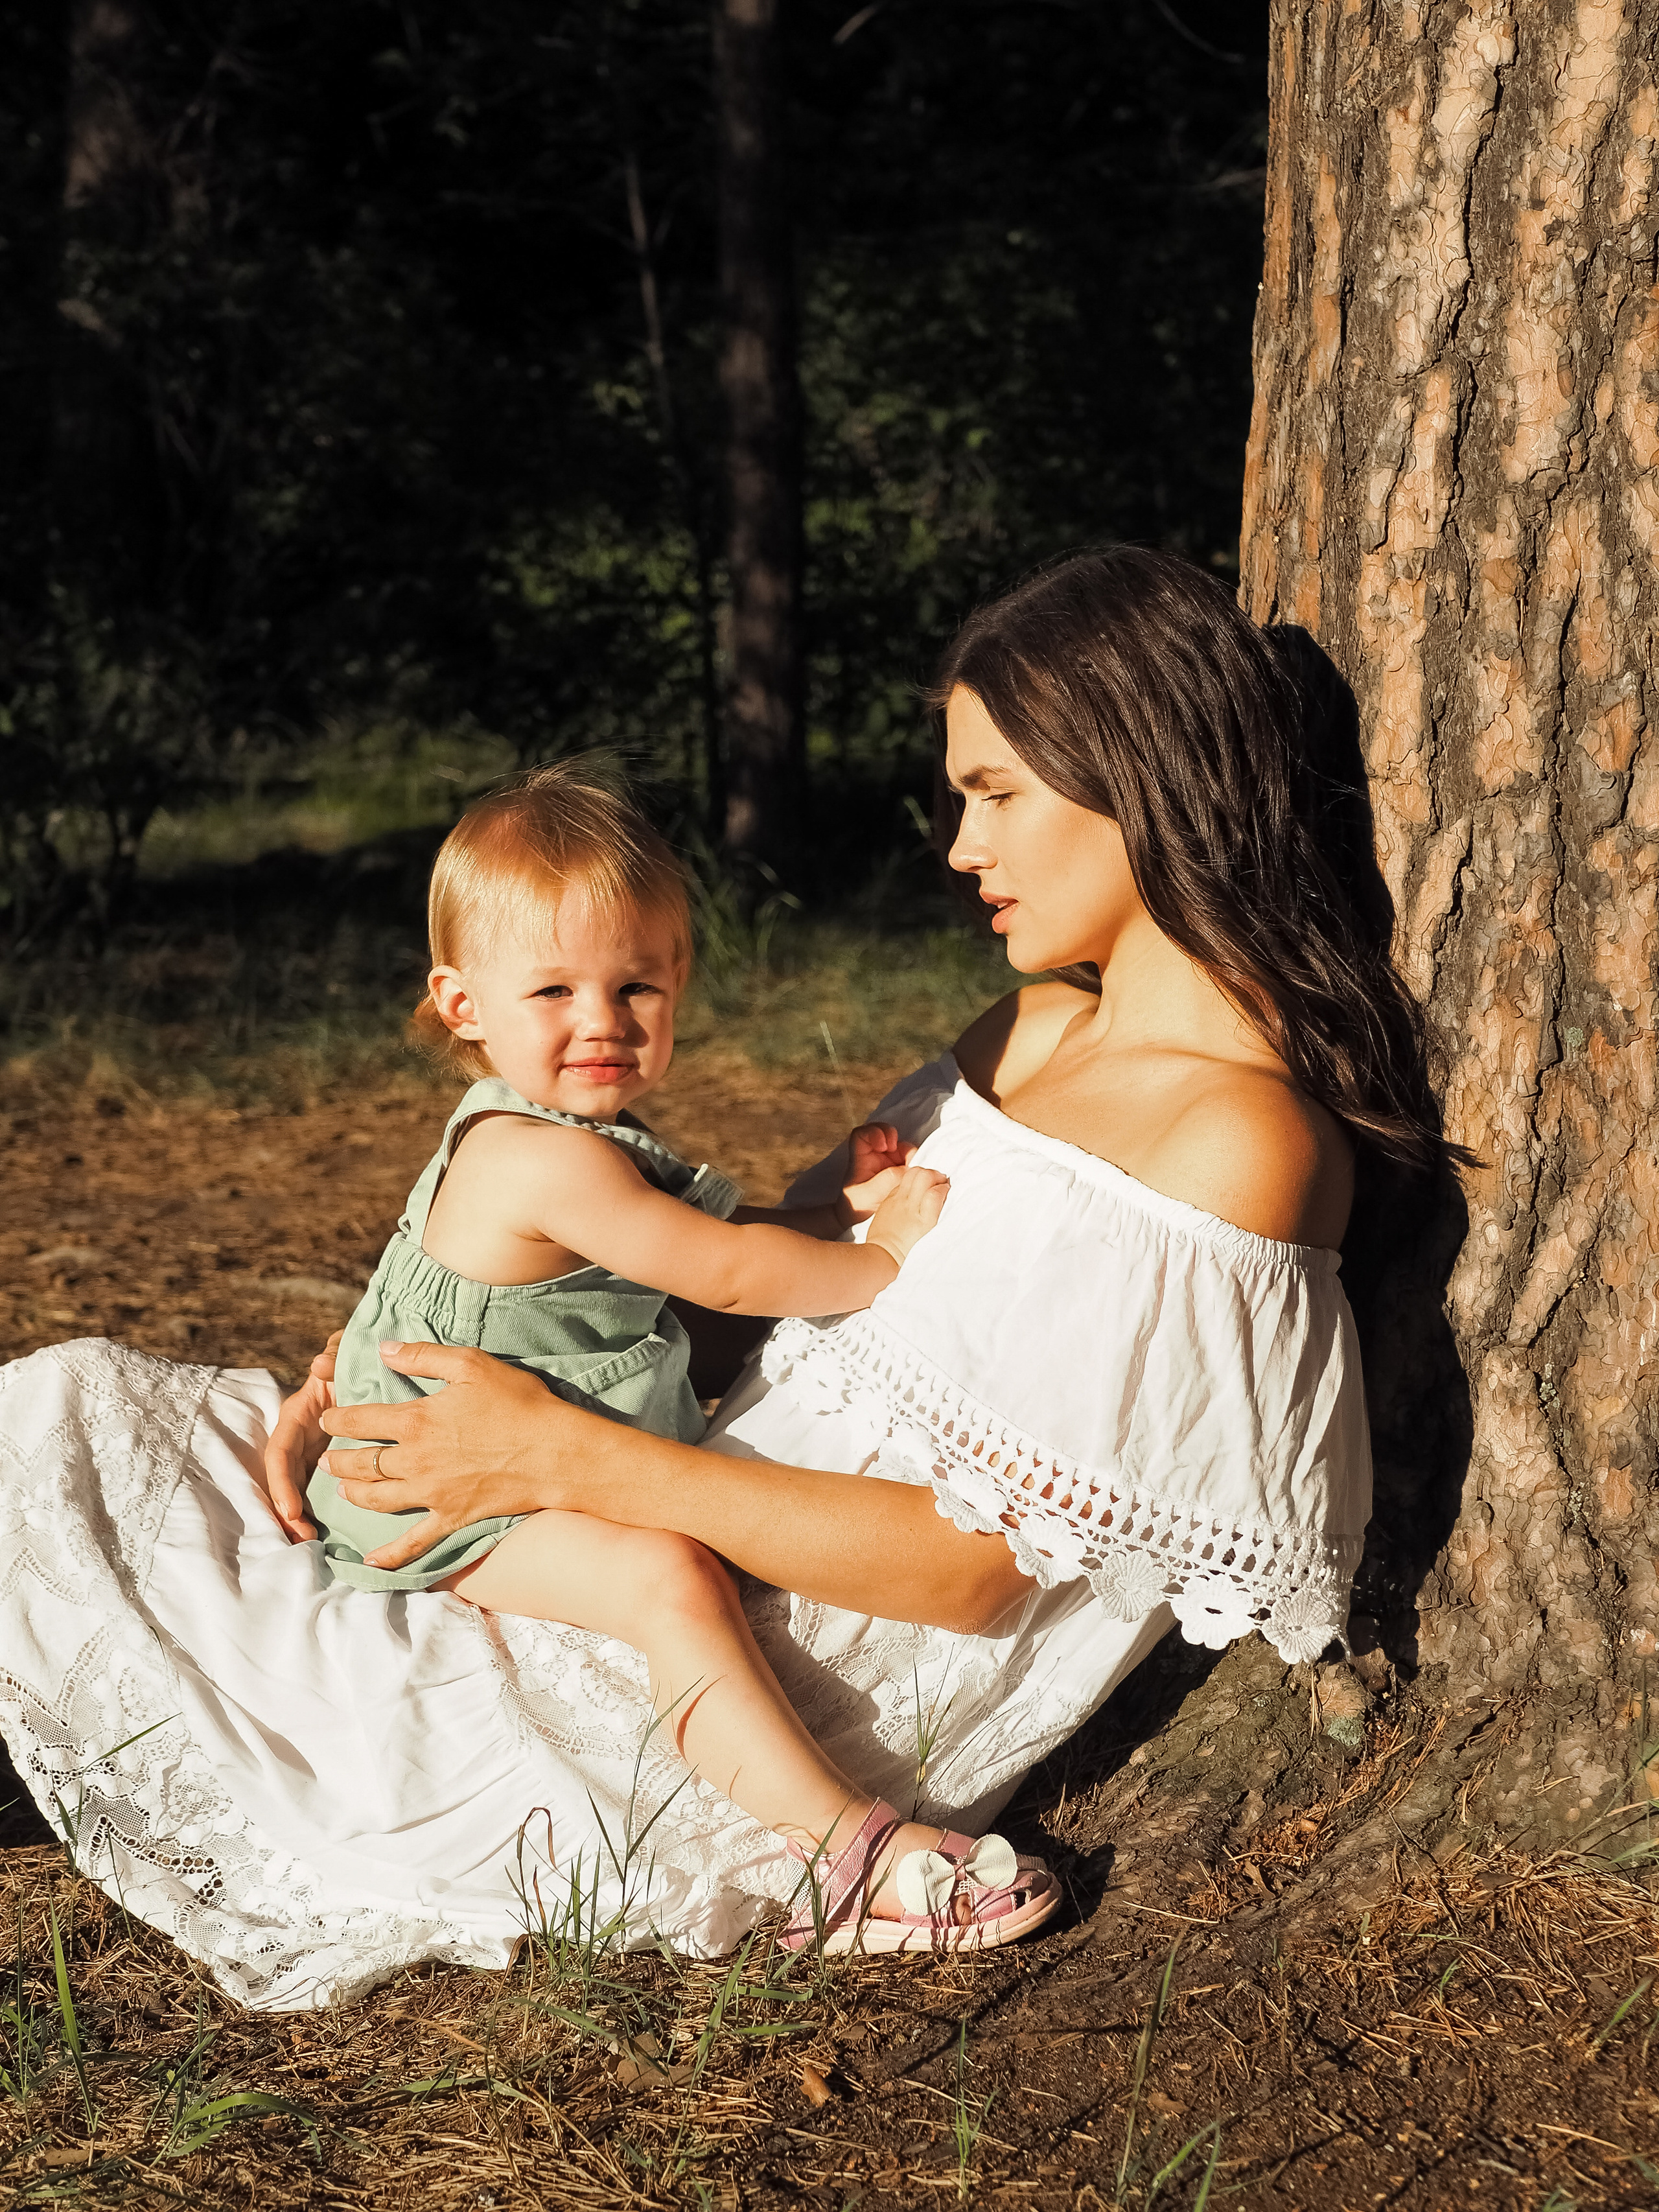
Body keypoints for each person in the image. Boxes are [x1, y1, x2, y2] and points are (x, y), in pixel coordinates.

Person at [0, 548, 1446, 2012]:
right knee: (70, 1421)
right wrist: (384, 1383)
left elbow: (970, 1574)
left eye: (994, 791)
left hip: (742, 1689)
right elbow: (701, 1270)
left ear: (1148, 772)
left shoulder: (1235, 1140)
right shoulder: (1023, 1035)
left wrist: (561, 1454)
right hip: (604, 1492)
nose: (958, 846)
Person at [308, 763, 1057, 1952]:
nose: (601, 1018)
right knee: (669, 1578)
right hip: (438, 1495)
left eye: (636, 983)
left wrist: (836, 1217)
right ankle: (842, 1854)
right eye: (551, 987)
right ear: (462, 1006)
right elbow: (723, 1276)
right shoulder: (541, 1159)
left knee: (672, 1556)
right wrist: (883, 1260)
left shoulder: (576, 1137)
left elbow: (711, 1243)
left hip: (483, 1444)